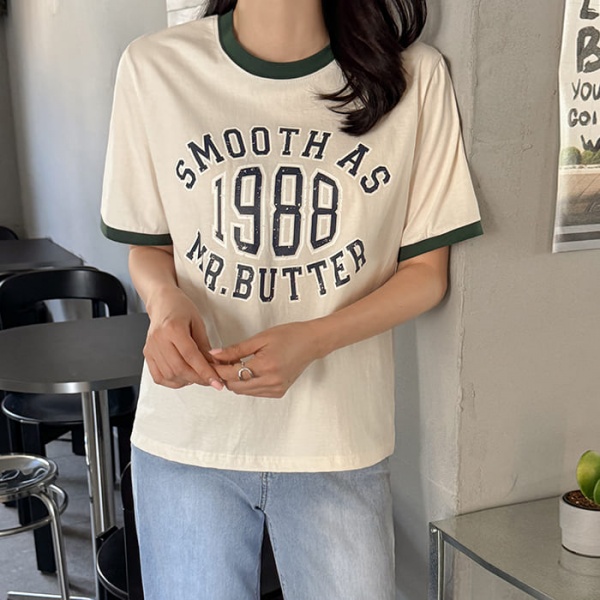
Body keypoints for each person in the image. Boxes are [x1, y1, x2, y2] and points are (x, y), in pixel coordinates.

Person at [100, 0, 482, 598]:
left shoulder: (413, 76)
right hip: (188, 437)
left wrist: (313, 339)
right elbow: (150, 246)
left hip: (335, 440)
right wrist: (165, 303)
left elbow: (426, 274)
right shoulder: (156, 67)